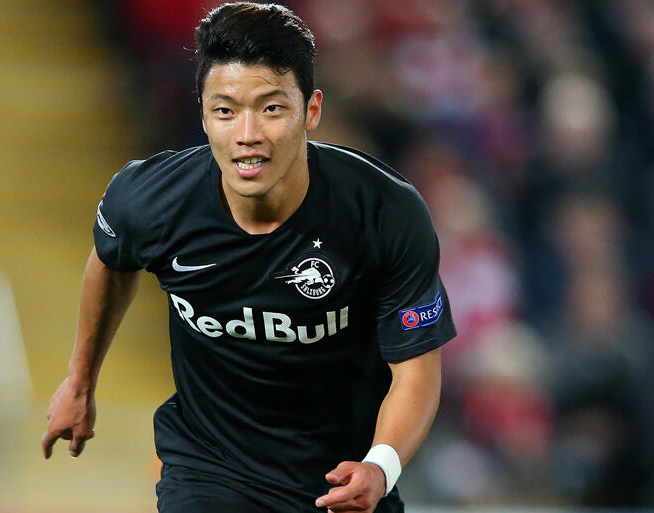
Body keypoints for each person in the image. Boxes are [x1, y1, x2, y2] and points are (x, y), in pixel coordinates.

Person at [41, 3, 456, 512]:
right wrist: (80, 380)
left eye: (271, 109)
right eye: (225, 111)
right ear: (203, 114)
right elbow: (111, 260)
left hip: (342, 479)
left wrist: (380, 466)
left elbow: (416, 368)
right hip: (209, 469)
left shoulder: (384, 212)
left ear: (312, 110)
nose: (247, 135)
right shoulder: (149, 199)